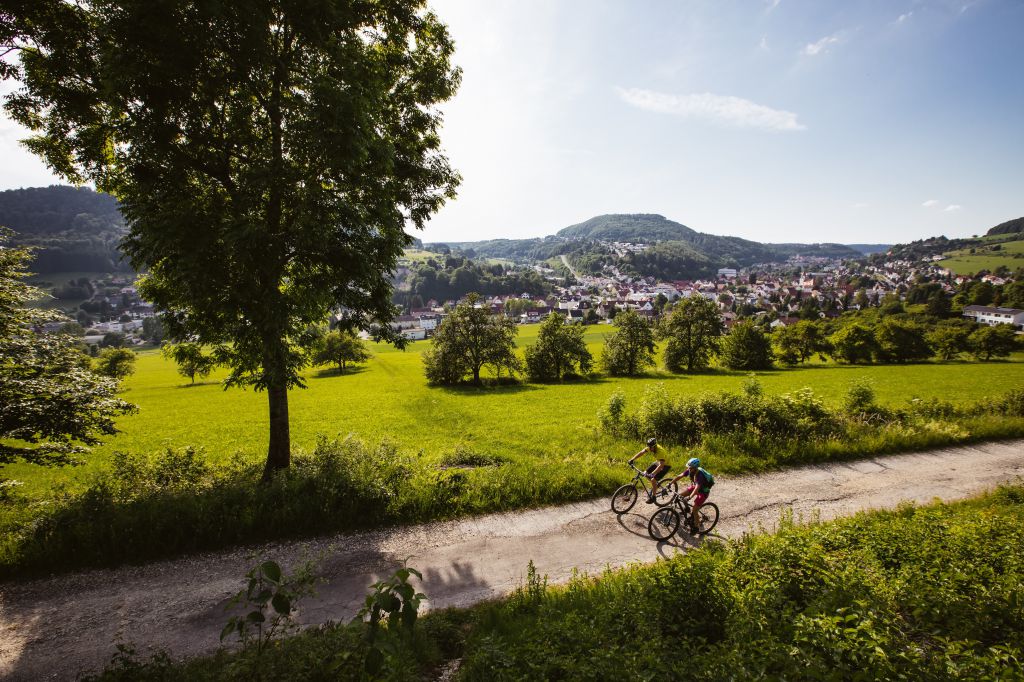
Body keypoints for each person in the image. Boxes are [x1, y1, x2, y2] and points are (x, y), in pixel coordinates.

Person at [667, 457, 714, 531]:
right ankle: (687, 509)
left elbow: (696, 489)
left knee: (694, 510)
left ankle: (696, 527)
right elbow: (679, 476)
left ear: (695, 468)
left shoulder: (700, 475)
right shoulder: (690, 470)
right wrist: (670, 483)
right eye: (688, 467)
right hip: (695, 487)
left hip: (703, 492)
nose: (689, 469)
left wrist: (689, 497)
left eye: (691, 468)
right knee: (679, 496)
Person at [627, 437, 671, 504]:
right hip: (658, 462)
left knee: (653, 479)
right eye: (649, 447)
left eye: (651, 447)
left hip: (666, 465)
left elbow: (661, 465)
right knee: (645, 473)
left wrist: (653, 473)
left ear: (655, 446)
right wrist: (632, 459)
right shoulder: (651, 447)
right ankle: (655, 486)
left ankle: (653, 497)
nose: (649, 449)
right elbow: (642, 452)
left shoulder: (660, 452)